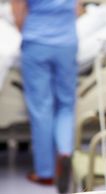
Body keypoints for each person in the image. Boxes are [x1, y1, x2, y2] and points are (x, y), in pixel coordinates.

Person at [11, 0, 80, 193]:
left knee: (41, 107)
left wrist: (31, 32)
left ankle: (45, 172)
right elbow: (77, 9)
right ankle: (65, 153)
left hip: (37, 41)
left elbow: (18, 12)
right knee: (66, 105)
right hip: (67, 42)